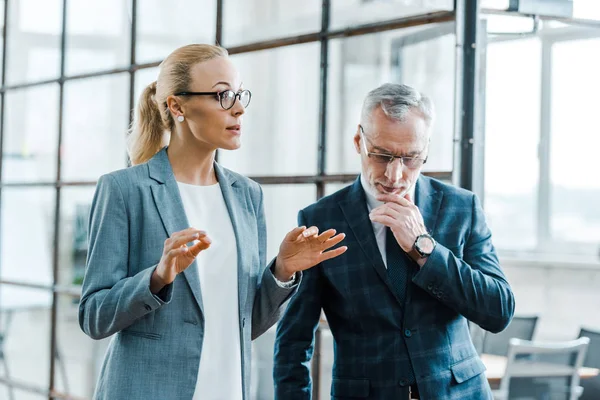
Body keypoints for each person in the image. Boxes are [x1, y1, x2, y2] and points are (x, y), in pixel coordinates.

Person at [78, 44, 347, 400]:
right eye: (222, 95)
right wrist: (158, 278)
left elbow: (246, 323)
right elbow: (94, 316)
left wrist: (281, 271)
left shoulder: (247, 195)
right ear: (177, 106)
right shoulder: (125, 190)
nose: (238, 108)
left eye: (238, 94)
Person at [273, 83, 515, 399]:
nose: (395, 175)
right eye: (381, 155)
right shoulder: (321, 219)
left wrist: (424, 246)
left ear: (426, 149)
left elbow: (498, 310)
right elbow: (293, 341)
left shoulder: (461, 207)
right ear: (359, 140)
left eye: (411, 158)